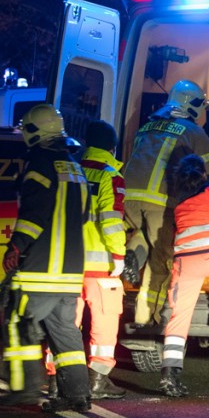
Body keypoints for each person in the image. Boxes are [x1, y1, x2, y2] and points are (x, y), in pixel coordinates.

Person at [0, 104, 91, 412]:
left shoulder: (38, 164)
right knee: (66, 332)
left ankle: (23, 389)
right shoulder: (75, 167)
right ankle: (77, 395)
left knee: (17, 320)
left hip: (39, 270)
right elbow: (84, 216)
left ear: (34, 131)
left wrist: (15, 246)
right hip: (70, 273)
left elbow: (33, 214)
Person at [123, 80, 209, 329]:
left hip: (129, 198)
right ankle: (149, 321)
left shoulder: (148, 125)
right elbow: (208, 174)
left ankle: (133, 253)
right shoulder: (194, 132)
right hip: (161, 202)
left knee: (144, 235)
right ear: (192, 104)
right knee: (162, 262)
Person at [159, 155, 209, 397]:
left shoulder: (179, 202)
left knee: (179, 317)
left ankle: (169, 376)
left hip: (185, 264)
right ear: (203, 175)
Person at [79, 120, 129, 400]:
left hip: (68, 263)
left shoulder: (70, 171)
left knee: (65, 324)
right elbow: (111, 220)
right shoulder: (109, 175)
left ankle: (58, 377)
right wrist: (118, 256)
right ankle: (98, 380)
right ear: (112, 146)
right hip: (101, 265)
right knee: (105, 320)